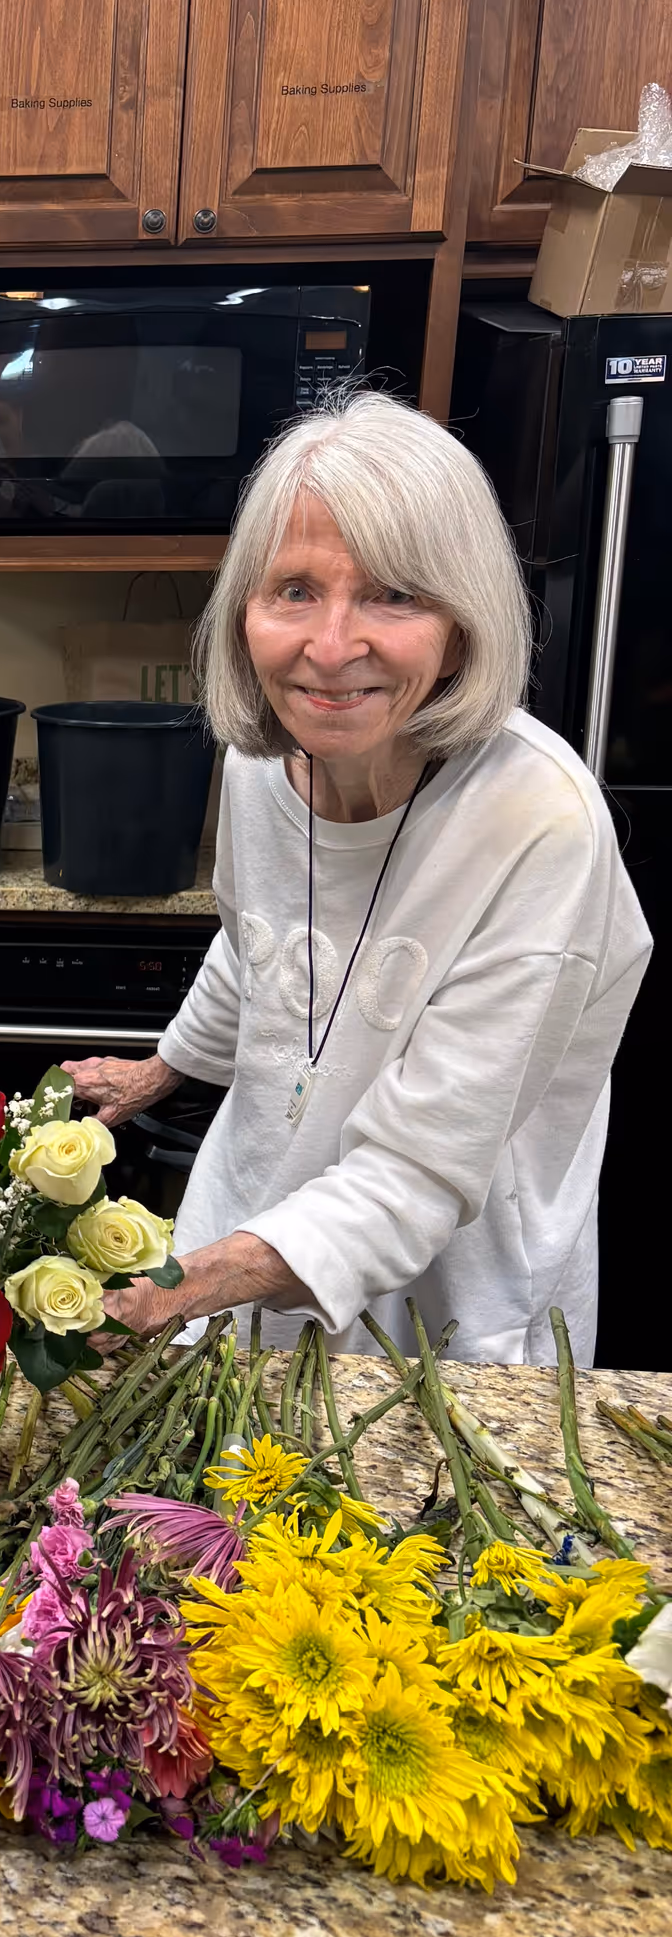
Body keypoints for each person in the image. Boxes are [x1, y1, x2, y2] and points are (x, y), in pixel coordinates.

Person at [64, 391, 649, 1368]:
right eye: (294, 589)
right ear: (245, 606)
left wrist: (181, 1288)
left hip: (444, 1325)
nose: (331, 648)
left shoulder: (540, 825)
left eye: (396, 595)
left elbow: (418, 1171)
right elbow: (260, 943)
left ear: (466, 620)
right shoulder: (263, 762)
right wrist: (163, 1067)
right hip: (243, 1259)